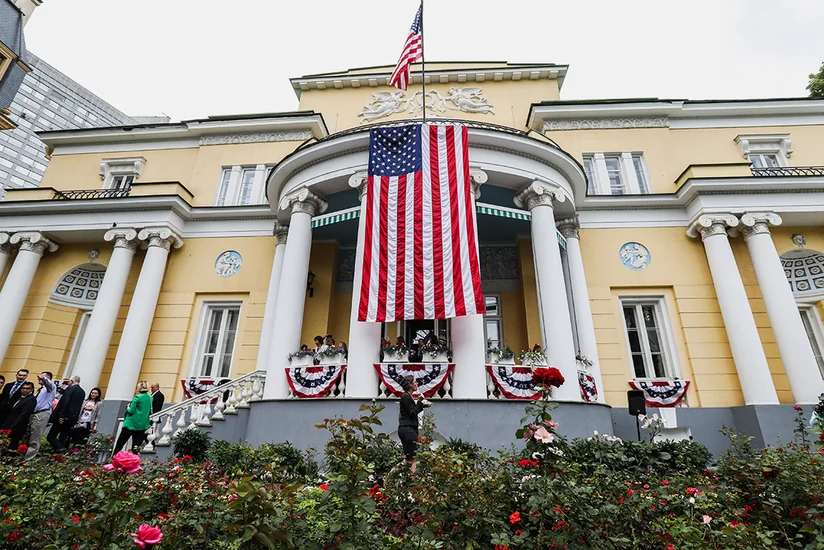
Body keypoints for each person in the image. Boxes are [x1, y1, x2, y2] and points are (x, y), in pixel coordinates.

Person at [397, 375, 430, 473]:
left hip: (406, 429)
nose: (417, 384)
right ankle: (415, 479)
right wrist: (420, 403)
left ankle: (389, 477)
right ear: (410, 384)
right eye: (415, 382)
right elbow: (412, 413)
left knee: (408, 460)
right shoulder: (406, 396)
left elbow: (406, 413)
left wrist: (420, 405)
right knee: (416, 458)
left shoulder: (407, 396)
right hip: (408, 430)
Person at [46, 375, 85, 452]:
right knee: (63, 437)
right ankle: (59, 453)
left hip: (63, 417)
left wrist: (61, 416)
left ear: (72, 381)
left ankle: (60, 449)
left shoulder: (70, 389)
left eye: (69, 381)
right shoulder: (82, 392)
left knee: (51, 436)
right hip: (72, 418)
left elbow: (64, 403)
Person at [112, 381, 152, 454]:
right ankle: (133, 460)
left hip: (130, 424)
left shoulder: (137, 397)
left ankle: (114, 457)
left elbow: (131, 411)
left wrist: (128, 407)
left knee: (120, 443)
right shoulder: (150, 398)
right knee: (136, 447)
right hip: (142, 425)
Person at [24, 371, 57, 460]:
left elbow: (49, 384)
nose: (39, 378)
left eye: (42, 377)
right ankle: (22, 455)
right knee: (27, 435)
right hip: (33, 414)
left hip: (41, 414)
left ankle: (28, 459)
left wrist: (44, 378)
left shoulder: (50, 388)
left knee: (35, 437)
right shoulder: (41, 389)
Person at [2, 381, 35, 451]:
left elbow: (24, 415)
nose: (25, 390)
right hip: (9, 423)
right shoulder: (20, 398)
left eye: (27, 388)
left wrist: (13, 426)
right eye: (23, 388)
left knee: (11, 446)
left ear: (31, 390)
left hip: (17, 426)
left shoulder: (31, 399)